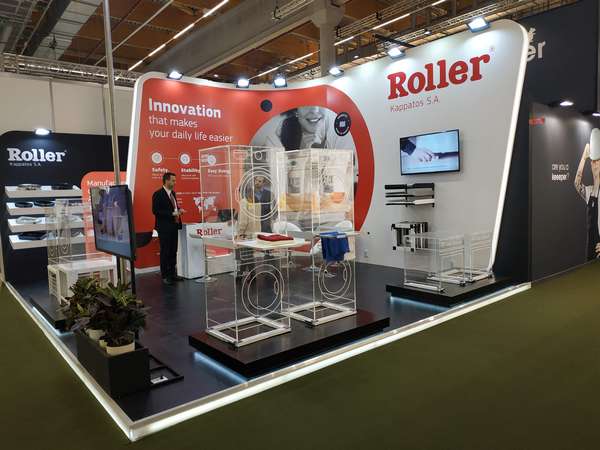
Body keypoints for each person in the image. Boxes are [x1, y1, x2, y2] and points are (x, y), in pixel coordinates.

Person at [152, 172, 186, 285]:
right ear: (166, 181)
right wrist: (172, 213)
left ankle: (172, 274)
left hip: (174, 226)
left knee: (173, 251)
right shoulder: (158, 194)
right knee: (165, 251)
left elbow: (174, 207)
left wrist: (179, 210)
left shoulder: (173, 193)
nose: (175, 182)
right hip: (164, 228)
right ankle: (165, 276)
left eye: (175, 180)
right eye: (173, 180)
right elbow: (156, 211)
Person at [574, 130, 600, 260]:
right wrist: (584, 157)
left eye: (597, 161)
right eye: (592, 161)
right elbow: (577, 183)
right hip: (589, 249)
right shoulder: (589, 191)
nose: (594, 164)